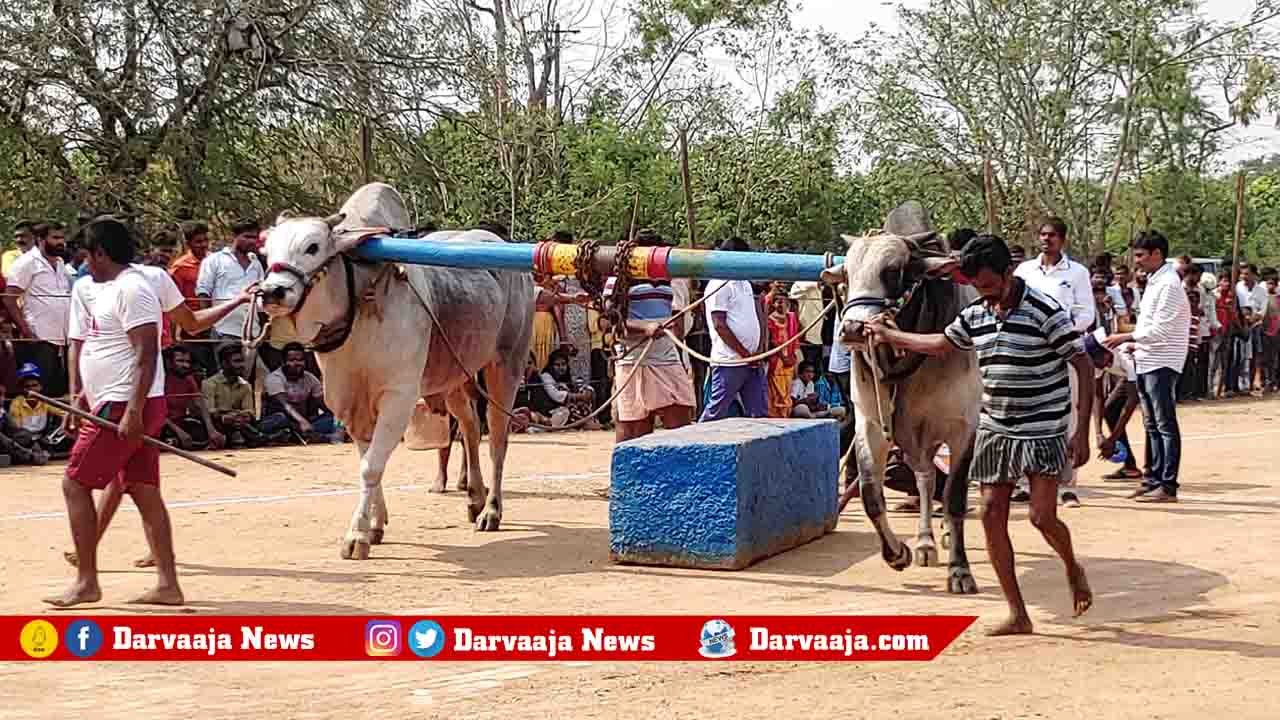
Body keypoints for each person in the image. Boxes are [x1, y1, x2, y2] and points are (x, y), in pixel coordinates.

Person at [865, 233, 1093, 635]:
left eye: (989, 286)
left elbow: (1084, 365)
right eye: (976, 288)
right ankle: (1017, 612)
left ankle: (1072, 566)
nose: (985, 295)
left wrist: (1081, 431)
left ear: (1007, 272)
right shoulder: (976, 314)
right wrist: (890, 335)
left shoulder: (1046, 311)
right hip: (996, 425)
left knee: (1041, 517)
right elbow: (940, 344)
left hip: (1042, 426)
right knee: (990, 515)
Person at [47, 217, 184, 607]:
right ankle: (168, 585)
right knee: (144, 491)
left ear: (101, 253)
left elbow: (146, 354)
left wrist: (133, 411)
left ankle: (86, 581)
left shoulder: (133, 290)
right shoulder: (105, 288)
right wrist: (81, 396)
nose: (85, 264)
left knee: (75, 483)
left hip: (124, 405)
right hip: (116, 403)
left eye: (87, 256)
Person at [1104, 230, 1190, 503]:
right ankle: (1152, 479)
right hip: (1147, 358)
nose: (1136, 261)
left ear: (1156, 254)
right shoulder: (1155, 281)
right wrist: (1135, 343)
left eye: (1140, 255)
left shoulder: (1169, 285)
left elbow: (1161, 330)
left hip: (1163, 361)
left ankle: (1167, 484)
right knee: (1152, 423)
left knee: (1164, 423)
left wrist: (1126, 337)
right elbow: (1149, 326)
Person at [1014, 217, 1094, 508]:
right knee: (1027, 414)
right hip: (1028, 353)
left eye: (1053, 236)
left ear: (1063, 240)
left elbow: (1086, 313)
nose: (1047, 240)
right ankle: (1025, 481)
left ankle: (1066, 484)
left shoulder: (1077, 273)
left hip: (1065, 350)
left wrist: (1062, 328)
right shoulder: (1024, 271)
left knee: (1066, 413)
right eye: (1043, 234)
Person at [607, 230, 695, 442]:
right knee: (634, 431)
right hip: (634, 359)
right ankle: (628, 474)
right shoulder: (618, 280)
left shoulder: (665, 276)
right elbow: (608, 322)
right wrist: (644, 327)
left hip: (666, 356)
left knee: (682, 423)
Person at [700, 236, 768, 421]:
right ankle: (697, 444)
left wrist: (758, 351)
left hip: (751, 360)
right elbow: (719, 324)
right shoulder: (718, 284)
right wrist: (746, 354)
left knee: (759, 412)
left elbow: (756, 316)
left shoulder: (744, 283)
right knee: (716, 411)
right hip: (729, 360)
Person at [3, 222, 72, 398]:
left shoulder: (61, 263)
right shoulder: (26, 263)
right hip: (39, 338)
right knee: (41, 391)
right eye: (55, 238)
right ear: (40, 240)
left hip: (63, 339)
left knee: (60, 391)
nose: (60, 242)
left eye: (62, 238)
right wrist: (26, 330)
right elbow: (10, 299)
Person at [261, 343, 343, 443]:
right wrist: (302, 421)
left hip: (307, 423)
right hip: (281, 421)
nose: (297, 363)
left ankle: (309, 436)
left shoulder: (310, 378)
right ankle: (317, 437)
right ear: (283, 362)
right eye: (292, 360)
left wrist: (339, 418)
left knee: (335, 418)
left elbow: (325, 404)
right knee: (280, 419)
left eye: (300, 360)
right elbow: (285, 405)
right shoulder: (274, 378)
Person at [203, 344, 269, 448]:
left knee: (279, 418)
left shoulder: (245, 385)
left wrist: (243, 417)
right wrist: (226, 417)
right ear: (224, 363)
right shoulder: (209, 383)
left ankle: (253, 437)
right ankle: (260, 438)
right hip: (218, 424)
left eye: (242, 361)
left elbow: (250, 411)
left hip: (240, 422)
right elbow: (209, 411)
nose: (242, 365)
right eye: (237, 361)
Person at [169, 222, 214, 374]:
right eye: (198, 241)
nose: (204, 245)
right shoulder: (180, 268)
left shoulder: (215, 261)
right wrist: (174, 338)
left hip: (217, 323)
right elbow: (173, 304)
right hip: (193, 328)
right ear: (188, 244)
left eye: (205, 240)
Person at [159, 345, 224, 451]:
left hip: (180, 421)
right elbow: (158, 414)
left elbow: (200, 404)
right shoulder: (160, 380)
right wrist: (179, 432)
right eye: (180, 361)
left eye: (187, 361)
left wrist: (211, 430)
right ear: (169, 362)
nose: (186, 365)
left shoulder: (188, 378)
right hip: (164, 424)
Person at [765, 291, 800, 418]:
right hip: (776, 360)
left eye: (785, 302)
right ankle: (775, 416)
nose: (783, 305)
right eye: (779, 302)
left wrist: (793, 358)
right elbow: (773, 342)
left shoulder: (791, 317)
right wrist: (783, 357)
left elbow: (795, 338)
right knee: (776, 390)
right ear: (774, 304)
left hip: (789, 359)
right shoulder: (769, 320)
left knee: (787, 389)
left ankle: (785, 415)